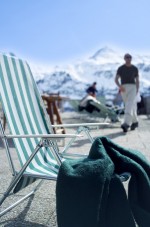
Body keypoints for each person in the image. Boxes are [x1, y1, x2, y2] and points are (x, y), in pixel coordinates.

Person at [115, 53, 140, 132]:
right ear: (124, 58)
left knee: (129, 104)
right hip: (124, 88)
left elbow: (137, 80)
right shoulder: (121, 68)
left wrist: (137, 89)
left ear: (131, 59)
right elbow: (116, 79)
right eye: (127, 57)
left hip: (133, 87)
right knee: (129, 106)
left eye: (130, 57)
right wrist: (120, 86)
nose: (128, 59)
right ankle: (135, 122)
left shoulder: (135, 68)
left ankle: (126, 124)